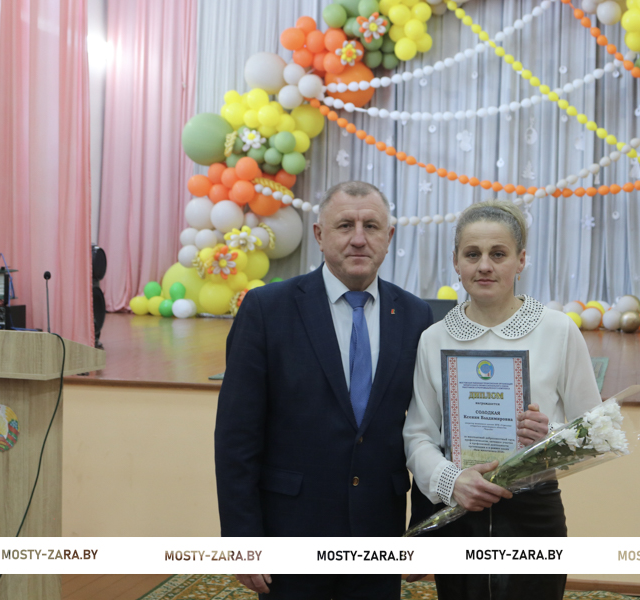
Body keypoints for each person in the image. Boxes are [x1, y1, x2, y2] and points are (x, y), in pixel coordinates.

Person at [215, 181, 434, 599]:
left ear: (389, 237)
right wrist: (242, 538)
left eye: (371, 226)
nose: (358, 238)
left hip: (379, 531)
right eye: (344, 225)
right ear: (319, 235)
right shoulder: (266, 310)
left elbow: (428, 428)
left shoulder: (414, 315)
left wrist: (425, 531)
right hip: (291, 529)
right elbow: (236, 436)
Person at [403, 200, 603, 599]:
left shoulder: (558, 331)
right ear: (456, 262)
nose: (484, 266)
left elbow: (595, 432)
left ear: (521, 260)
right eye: (472, 254)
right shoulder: (434, 339)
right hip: (461, 511)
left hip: (534, 513)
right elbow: (418, 434)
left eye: (498, 254)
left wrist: (550, 436)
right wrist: (452, 481)